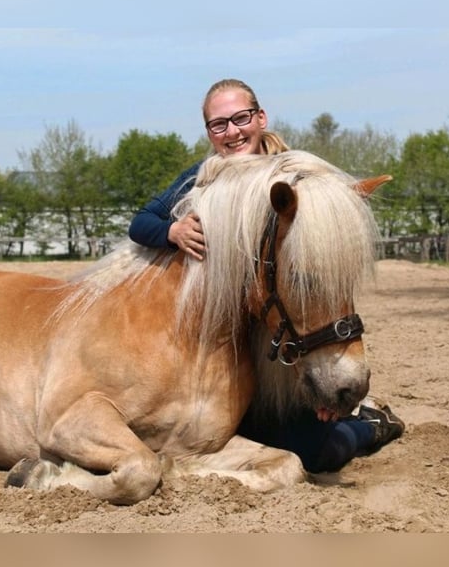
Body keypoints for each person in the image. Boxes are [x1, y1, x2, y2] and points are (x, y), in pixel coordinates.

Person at [128, 78, 404, 473]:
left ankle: (370, 426)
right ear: (209, 133)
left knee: (320, 453)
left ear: (260, 118)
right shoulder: (203, 178)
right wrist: (171, 232)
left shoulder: (295, 176)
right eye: (218, 124)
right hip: (227, 350)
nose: (232, 132)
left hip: (278, 349)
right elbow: (140, 222)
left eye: (240, 118)